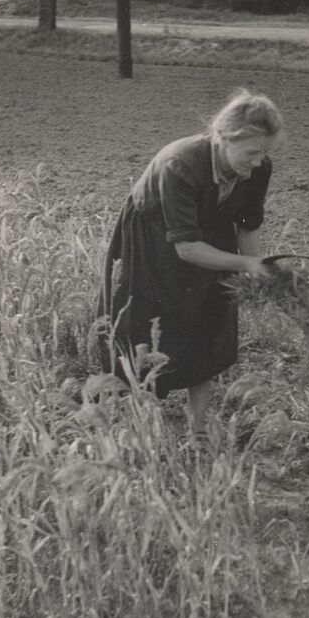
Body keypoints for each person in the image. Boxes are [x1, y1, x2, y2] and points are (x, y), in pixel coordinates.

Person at [97, 88, 284, 435]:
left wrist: (257, 265)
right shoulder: (180, 164)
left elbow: (246, 223)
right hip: (154, 234)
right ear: (224, 138)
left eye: (265, 152)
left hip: (211, 224)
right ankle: (140, 424)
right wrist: (244, 265)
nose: (257, 161)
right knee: (150, 324)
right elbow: (186, 248)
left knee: (210, 322)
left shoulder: (258, 169)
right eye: (251, 152)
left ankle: (197, 429)